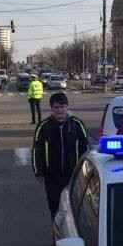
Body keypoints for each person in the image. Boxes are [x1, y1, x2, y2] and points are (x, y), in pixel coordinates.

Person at [32, 92, 89, 220]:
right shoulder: (44, 127)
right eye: (57, 107)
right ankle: (57, 238)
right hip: (52, 177)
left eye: (62, 107)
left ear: (67, 107)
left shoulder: (77, 124)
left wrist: (85, 172)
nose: (60, 110)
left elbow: (85, 148)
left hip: (73, 176)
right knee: (55, 210)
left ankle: (73, 238)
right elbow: (37, 151)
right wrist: (38, 172)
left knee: (75, 210)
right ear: (52, 108)